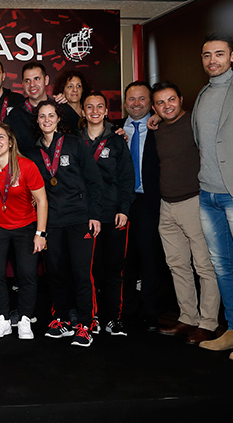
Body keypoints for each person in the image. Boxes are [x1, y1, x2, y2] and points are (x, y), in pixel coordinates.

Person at [29, 100, 103, 347]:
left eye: (51, 115)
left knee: (81, 273)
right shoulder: (33, 151)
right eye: (42, 116)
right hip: (51, 221)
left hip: (78, 218)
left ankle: (86, 323)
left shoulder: (74, 144)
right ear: (37, 121)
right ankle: (61, 318)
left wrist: (94, 215)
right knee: (56, 273)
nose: (47, 120)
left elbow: (94, 181)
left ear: (58, 119)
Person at [150, 82, 219, 345]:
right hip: (166, 206)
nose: (167, 106)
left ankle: (208, 323)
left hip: (195, 202)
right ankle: (188, 317)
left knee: (204, 266)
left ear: (181, 99)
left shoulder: (195, 122)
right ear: (154, 107)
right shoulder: (157, 128)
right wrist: (153, 120)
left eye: (171, 100)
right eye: (160, 103)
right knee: (177, 265)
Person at [192, 34, 233, 360]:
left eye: (219, 54)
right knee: (222, 266)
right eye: (207, 54)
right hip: (208, 193)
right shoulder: (203, 92)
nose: (213, 60)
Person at [0, 122, 47, 340]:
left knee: (27, 274)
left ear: (10, 142)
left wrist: (41, 233)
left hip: (25, 226)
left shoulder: (26, 166)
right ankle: (3, 319)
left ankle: (26, 318)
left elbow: (42, 201)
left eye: (0, 137)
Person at [80, 91, 135, 337]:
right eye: (89, 107)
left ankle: (113, 318)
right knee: (87, 271)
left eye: (99, 107)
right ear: (82, 111)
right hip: (84, 216)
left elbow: (126, 178)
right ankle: (90, 317)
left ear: (105, 111)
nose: (94, 111)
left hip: (113, 215)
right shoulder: (73, 141)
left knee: (113, 269)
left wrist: (124, 209)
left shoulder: (116, 141)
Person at [118, 81, 165, 332]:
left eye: (142, 99)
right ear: (125, 102)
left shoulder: (159, 127)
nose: (136, 103)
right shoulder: (114, 131)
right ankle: (126, 309)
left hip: (149, 201)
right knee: (125, 259)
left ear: (150, 103)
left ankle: (149, 310)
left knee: (149, 257)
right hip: (123, 203)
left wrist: (159, 117)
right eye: (131, 99)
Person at [10, 63, 80, 155]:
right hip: (28, 168)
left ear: (46, 80)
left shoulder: (63, 109)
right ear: (22, 84)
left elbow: (80, 142)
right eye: (27, 81)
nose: (32, 85)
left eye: (37, 79)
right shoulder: (14, 116)